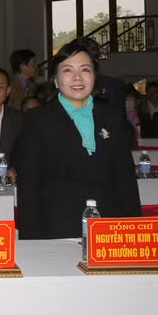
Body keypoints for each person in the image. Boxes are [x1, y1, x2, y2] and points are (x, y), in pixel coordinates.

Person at [15, 38, 141, 239]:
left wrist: (134, 232)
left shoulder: (112, 119)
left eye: (85, 69)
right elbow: (29, 190)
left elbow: (126, 183)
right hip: (58, 233)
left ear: (94, 77)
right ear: (56, 80)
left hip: (111, 232)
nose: (77, 77)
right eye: (67, 70)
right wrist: (34, 244)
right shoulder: (37, 121)